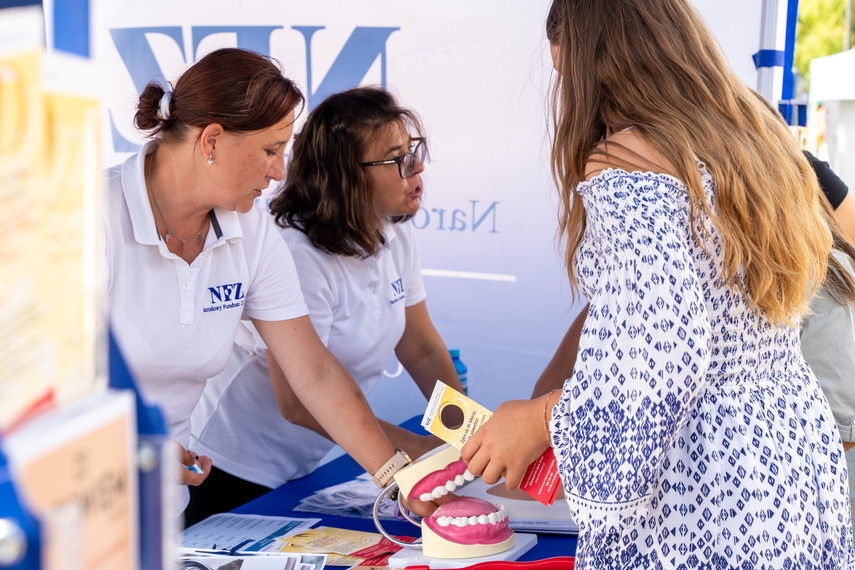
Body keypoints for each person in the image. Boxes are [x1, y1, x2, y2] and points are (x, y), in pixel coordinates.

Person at [460, 0, 855, 566]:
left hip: (706, 489)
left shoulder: (628, 160)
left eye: (564, 73)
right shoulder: (754, 135)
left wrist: (538, 419)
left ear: (591, 61)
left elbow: (656, 357)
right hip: (790, 462)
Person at [105, 48, 436, 521]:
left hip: (163, 507)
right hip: (67, 508)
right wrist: (127, 447)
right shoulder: (90, 219)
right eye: (270, 150)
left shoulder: (251, 232)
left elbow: (315, 373)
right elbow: (34, 383)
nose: (280, 170)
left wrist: (396, 475)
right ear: (212, 141)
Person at [186, 87, 461, 525]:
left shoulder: (394, 231)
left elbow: (420, 346)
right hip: (228, 468)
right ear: (346, 176)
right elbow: (298, 399)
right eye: (397, 158)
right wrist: (412, 449)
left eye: (414, 151)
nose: (417, 166)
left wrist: (466, 436)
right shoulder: (296, 253)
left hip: (304, 463)